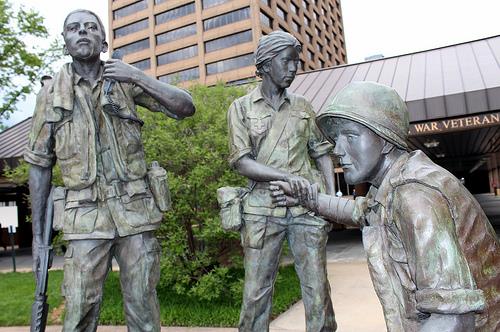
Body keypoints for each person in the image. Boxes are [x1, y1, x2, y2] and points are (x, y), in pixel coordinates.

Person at [270, 81, 500, 332]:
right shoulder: (388, 188)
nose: (338, 149)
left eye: (350, 136)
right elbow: (360, 212)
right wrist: (307, 199)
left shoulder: (416, 197)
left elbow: (453, 318)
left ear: (386, 141)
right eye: (337, 138)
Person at [25, 9, 195, 332]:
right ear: (65, 44)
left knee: (144, 310)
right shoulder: (50, 95)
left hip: (135, 215)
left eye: (91, 27)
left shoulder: (124, 81)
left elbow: (185, 107)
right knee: (78, 310)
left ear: (104, 42)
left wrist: (137, 76)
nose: (83, 32)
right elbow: (39, 166)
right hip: (85, 219)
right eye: (74, 29)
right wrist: (37, 239)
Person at [227, 31, 337, 332]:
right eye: (286, 61)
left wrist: (327, 201)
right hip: (262, 211)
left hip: (306, 208)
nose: (293, 68)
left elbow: (322, 153)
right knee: (255, 293)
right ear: (265, 64)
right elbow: (241, 160)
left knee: (318, 290)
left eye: (296, 62)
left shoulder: (303, 106)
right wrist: (286, 177)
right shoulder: (241, 108)